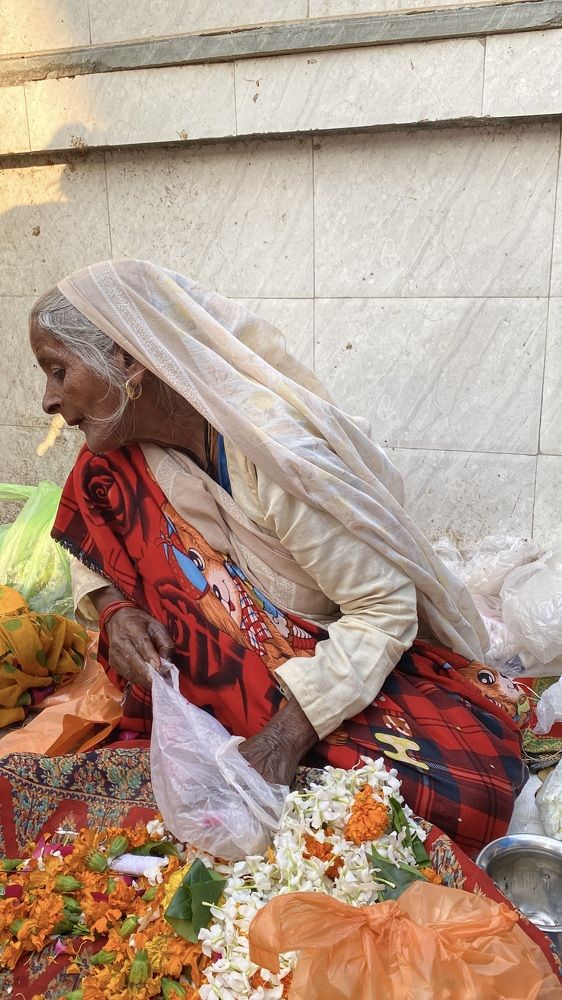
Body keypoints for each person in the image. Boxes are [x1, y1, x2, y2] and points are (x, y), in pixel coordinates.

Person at [27, 258, 530, 859]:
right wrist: (115, 610)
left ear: (127, 361)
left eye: (58, 370)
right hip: (216, 680)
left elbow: (382, 609)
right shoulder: (111, 460)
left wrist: (283, 739)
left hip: (317, 659)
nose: (48, 400)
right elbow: (95, 549)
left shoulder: (270, 456)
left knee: (466, 799)